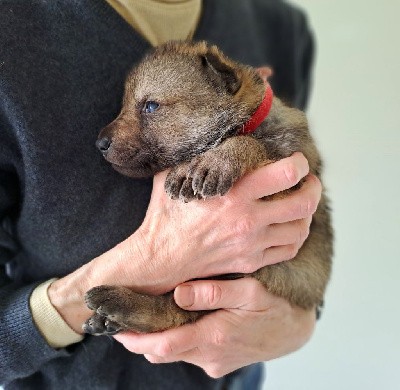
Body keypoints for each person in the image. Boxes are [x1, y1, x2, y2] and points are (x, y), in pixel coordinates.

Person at [0, 0, 320, 389]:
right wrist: (135, 269)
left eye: (151, 107)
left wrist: (300, 323)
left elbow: (300, 208)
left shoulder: (280, 27)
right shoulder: (11, 26)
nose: (110, 135)